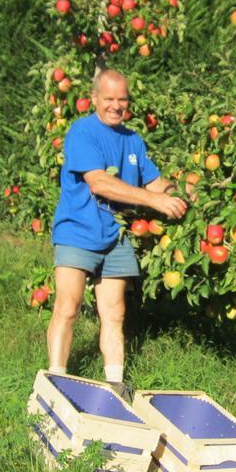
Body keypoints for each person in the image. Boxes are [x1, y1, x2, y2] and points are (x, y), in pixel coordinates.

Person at [46, 69, 188, 399]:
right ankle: (56, 380)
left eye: (122, 99)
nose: (116, 105)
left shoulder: (132, 140)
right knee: (68, 304)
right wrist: (155, 200)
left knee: (115, 312)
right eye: (108, 98)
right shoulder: (82, 132)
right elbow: (99, 182)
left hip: (116, 234)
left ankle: (114, 386)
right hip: (78, 230)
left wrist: (181, 190)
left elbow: (153, 181)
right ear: (94, 98)